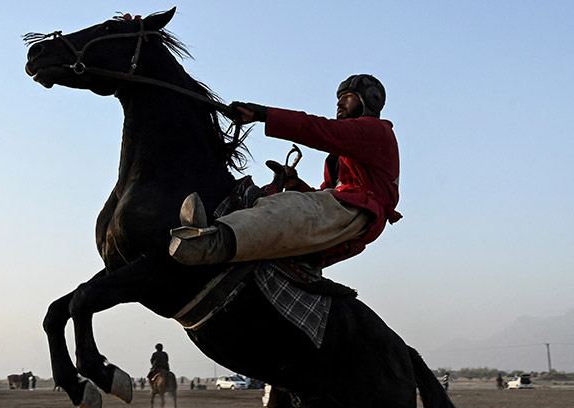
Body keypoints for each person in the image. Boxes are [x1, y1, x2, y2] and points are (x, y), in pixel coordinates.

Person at [169, 74, 401, 268]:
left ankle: (210, 244)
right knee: (285, 202)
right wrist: (296, 185)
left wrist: (262, 114)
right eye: (339, 98)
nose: (340, 103)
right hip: (350, 210)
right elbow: (329, 194)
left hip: (361, 211)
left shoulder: (376, 131)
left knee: (289, 207)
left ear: (368, 101)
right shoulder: (346, 154)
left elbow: (317, 129)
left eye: (348, 97)